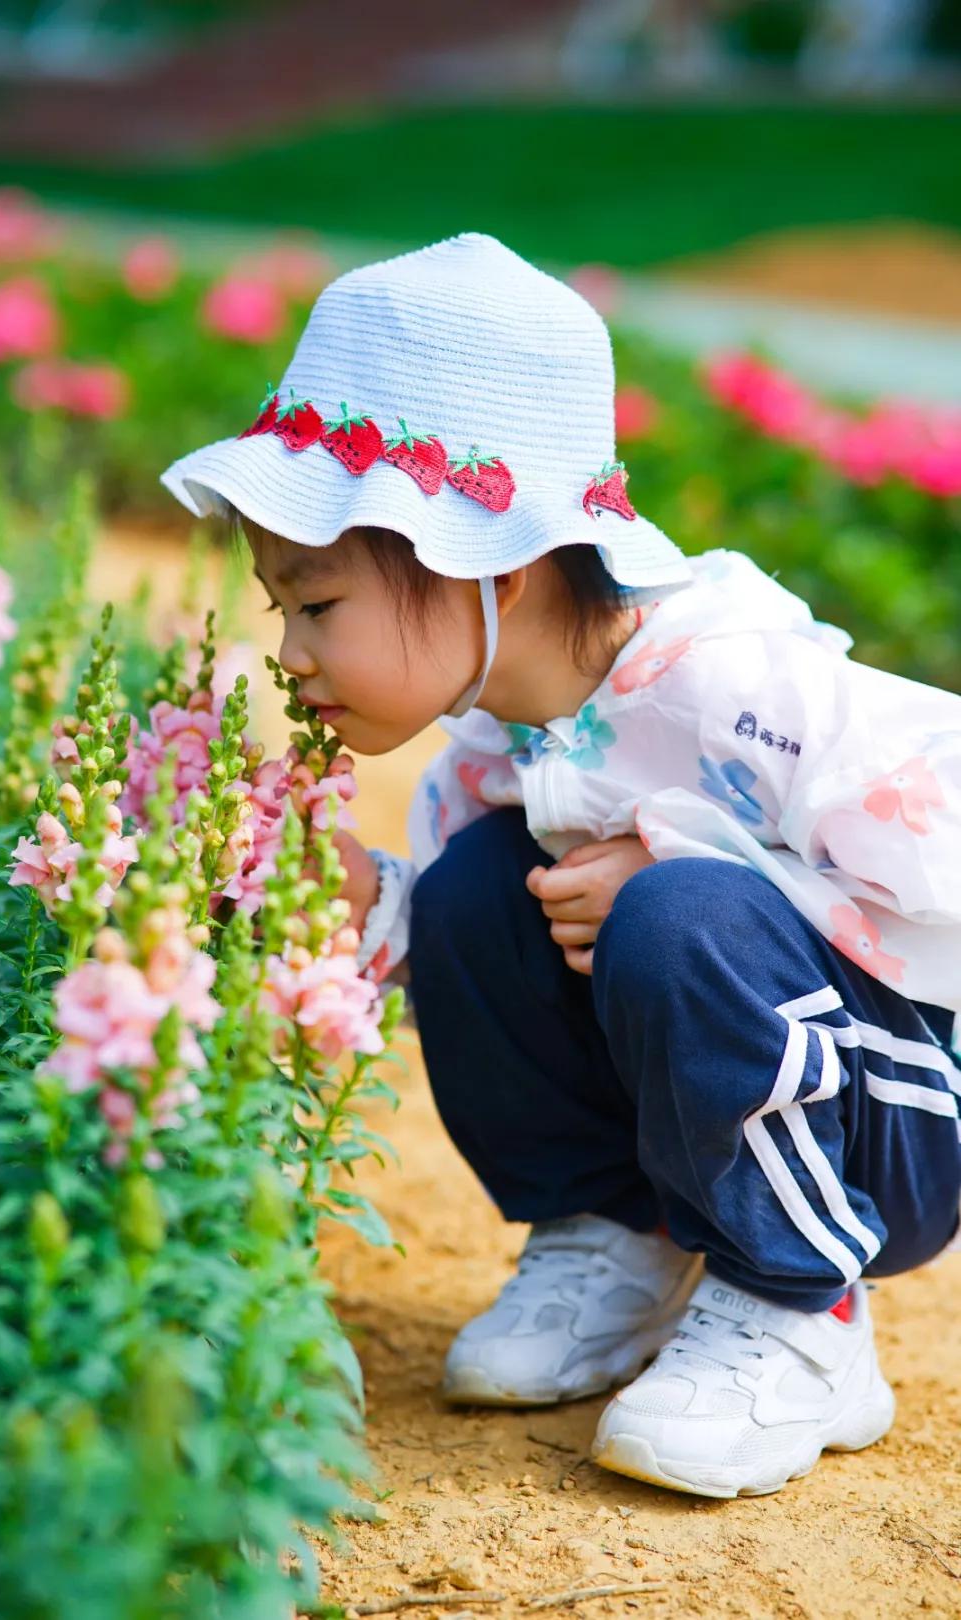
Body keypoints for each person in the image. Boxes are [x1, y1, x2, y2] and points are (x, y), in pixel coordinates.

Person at [161, 232, 961, 1500]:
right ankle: (619, 1241)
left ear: (497, 567)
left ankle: (803, 1314)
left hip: (892, 1123)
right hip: (724, 1089)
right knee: (479, 889)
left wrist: (690, 857)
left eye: (317, 607)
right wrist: (364, 903)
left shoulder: (740, 689)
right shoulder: (502, 738)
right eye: (282, 611)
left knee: (677, 911)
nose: (291, 654)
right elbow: (487, 970)